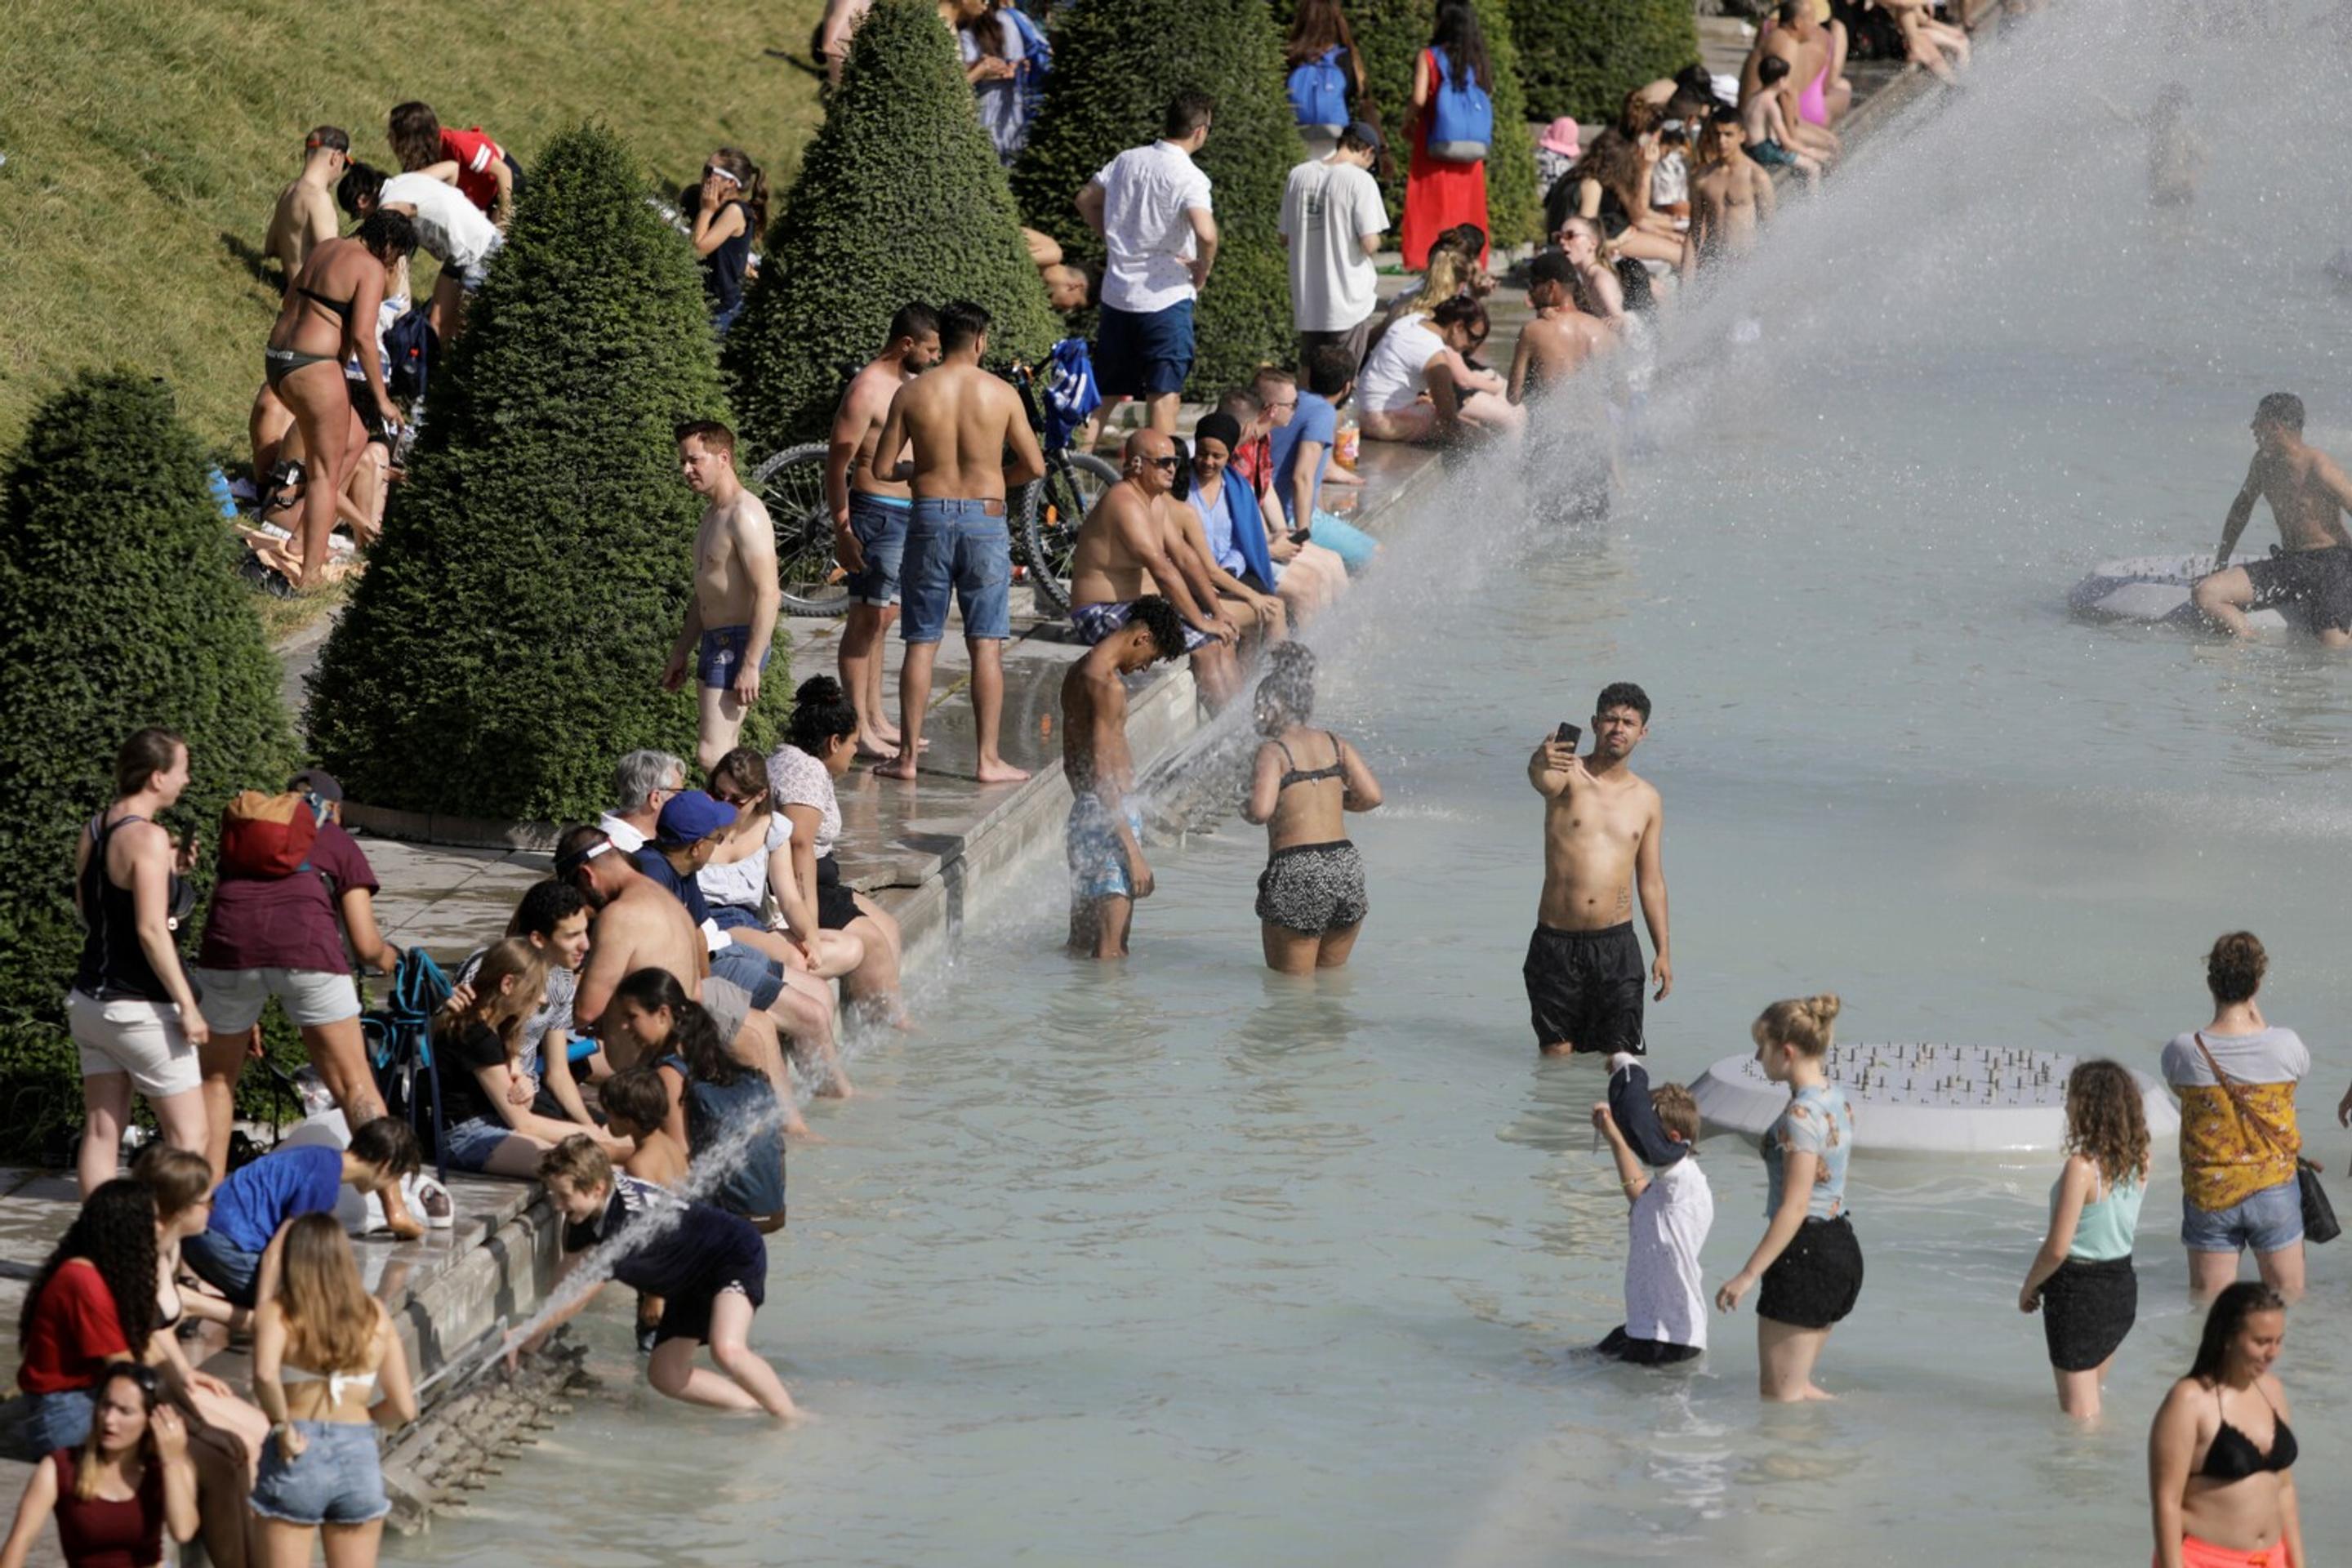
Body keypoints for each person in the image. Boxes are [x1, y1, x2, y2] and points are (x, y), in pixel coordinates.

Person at [191, 768, 399, 1184]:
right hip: (307, 950)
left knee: (216, 1081)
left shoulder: (249, 836)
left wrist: (243, 1012)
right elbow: (365, 945)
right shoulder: (337, 839)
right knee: (354, 1081)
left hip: (228, 950)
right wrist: (391, 959)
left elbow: (231, 906)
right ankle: (392, 1201)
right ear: (334, 808)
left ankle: (203, 1201)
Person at [871, 301, 1045, 783]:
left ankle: (907, 758)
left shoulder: (912, 393)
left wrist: (919, 469)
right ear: (980, 341)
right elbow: (1034, 466)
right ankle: (987, 760)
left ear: (941, 339)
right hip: (985, 519)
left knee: (921, 641)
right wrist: (993, 478)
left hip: (929, 515)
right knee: (986, 644)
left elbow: (882, 468)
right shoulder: (1001, 393)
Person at [516, 1137, 801, 1420]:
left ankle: (792, 1418)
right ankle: (758, 1406)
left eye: (563, 1196)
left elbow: (580, 1295)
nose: (557, 1205)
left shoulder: (625, 1225)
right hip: (689, 1277)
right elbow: (568, 1274)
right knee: (666, 1375)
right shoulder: (587, 1211)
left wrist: (528, 1331)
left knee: (727, 1349)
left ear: (597, 1187)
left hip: (732, 1253)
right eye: (554, 1194)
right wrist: (537, 1333)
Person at [627, 794, 850, 1094]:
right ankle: (829, 1099)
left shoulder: (683, 865)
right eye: (717, 838)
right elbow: (665, 949)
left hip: (723, 950)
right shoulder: (653, 875)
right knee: (811, 1016)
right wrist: (706, 988)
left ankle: (821, 1090)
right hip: (713, 964)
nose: (720, 843)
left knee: (820, 992)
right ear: (697, 846)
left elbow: (698, 929)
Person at [66, 730, 209, 1196]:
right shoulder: (149, 836)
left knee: (102, 1131)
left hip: (91, 1001)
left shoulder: (95, 829)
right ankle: (170, 1239)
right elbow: (150, 930)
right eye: (182, 770)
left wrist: (166, 872)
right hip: (142, 1008)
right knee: (191, 1138)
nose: (187, 780)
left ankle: (98, 1235)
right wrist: (188, 1005)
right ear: (156, 777)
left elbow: (90, 908)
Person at [1714, 995, 1860, 1401]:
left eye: (1762, 1047)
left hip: (1806, 1256)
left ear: (1787, 1051)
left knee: (1779, 1402)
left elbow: (1795, 1206)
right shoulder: (1836, 1096)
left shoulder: (1800, 1117)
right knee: (1797, 1390)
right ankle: (1866, 1424)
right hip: (1840, 1248)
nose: (1758, 1058)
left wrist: (1747, 1275)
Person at [247, 1213, 416, 1563]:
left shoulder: (277, 1312)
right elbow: (404, 1409)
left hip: (297, 1448)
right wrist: (363, 1420)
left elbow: (265, 1374)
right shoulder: (375, 1315)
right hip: (358, 1453)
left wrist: (281, 1426)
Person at [264, 209, 413, 589]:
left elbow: (289, 299)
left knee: (354, 439)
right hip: (314, 366)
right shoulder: (370, 267)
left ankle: (301, 539)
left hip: (278, 360)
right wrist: (382, 399)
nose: (393, 264)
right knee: (324, 476)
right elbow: (364, 337)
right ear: (389, 244)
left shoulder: (326, 248)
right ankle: (310, 574)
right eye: (397, 256)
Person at [1522, 684, 1669, 1054]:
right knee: (1556, 1056)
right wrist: (1539, 760)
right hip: (1556, 943)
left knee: (1620, 1057)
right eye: (1610, 719)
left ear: (1642, 732)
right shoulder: (1568, 773)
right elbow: (1543, 781)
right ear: (1594, 724)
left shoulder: (1647, 799)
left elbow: (1651, 881)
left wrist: (1663, 951)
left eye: (1628, 723)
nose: (1618, 728)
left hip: (1616, 947)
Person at [2163, 932, 2310, 1298]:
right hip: (2273, 1187)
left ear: (2211, 983)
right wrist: (2259, 1021)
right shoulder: (2286, 1044)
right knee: (2288, 1300)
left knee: (2210, 1310)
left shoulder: (2183, 1050)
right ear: (2256, 984)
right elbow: (2294, 1080)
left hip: (2210, 1191)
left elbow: (2180, 1091)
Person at [826, 304, 943, 758]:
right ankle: (857, 728)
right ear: (907, 344)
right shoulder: (867, 389)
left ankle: (875, 717)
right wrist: (843, 530)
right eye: (930, 349)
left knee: (883, 618)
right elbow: (837, 466)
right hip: (875, 512)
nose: (935, 357)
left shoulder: (908, 384)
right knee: (865, 620)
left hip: (907, 513)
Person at [763, 679, 908, 1022]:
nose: (855, 752)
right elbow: (799, 848)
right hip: (804, 886)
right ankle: (892, 1026)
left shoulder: (793, 758)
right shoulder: (806, 771)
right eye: (853, 743)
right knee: (872, 942)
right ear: (834, 742)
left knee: (888, 928)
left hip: (823, 881)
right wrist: (808, 925)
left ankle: (875, 1019)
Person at [1077, 92, 1218, 435]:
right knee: (1164, 396)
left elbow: (1085, 200)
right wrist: (1204, 267)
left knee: (1103, 395)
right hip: (1166, 297)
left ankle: (1071, 465)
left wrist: (1112, 238)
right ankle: (1158, 471)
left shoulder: (1126, 160)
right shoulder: (1190, 175)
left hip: (1118, 293)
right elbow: (1206, 232)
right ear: (1200, 131)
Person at [1067, 430, 1241, 706]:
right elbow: (1162, 570)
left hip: (1132, 606)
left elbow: (1185, 558)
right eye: (1163, 462)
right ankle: (1226, 726)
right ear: (1137, 464)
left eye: (1175, 461)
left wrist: (1217, 611)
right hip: (1097, 612)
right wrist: (1201, 621)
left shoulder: (1155, 501)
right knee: (1206, 643)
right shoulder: (1123, 502)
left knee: (1223, 638)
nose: (1172, 468)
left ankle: (1239, 718)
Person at [605, 969, 788, 1232]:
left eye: (631, 1017)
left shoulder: (669, 1073)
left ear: (663, 1014)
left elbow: (678, 1157)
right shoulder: (706, 1051)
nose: (624, 1026)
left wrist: (613, 1154)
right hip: (770, 1211)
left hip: (725, 1216)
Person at [2019, 1059, 2151, 1421]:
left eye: (2072, 1098)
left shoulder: (2082, 1168)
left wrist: (2029, 1286)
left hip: (2079, 1294)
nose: (2066, 1106)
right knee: (2091, 1402)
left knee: (2079, 1421)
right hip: (2120, 1289)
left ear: (2090, 1107)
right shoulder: (2141, 1159)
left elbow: (2057, 1247)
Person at [1059, 597, 1188, 957]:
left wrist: (1091, 812)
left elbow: (1072, 762)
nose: (1145, 667)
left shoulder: (1077, 672)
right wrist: (1132, 851)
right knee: (1112, 953)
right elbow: (1104, 774)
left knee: (1080, 947)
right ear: (1142, 638)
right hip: (1111, 821)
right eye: (1151, 657)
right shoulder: (1108, 686)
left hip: (1086, 815)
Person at [1241, 645, 1381, 974]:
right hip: (1345, 865)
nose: (1255, 713)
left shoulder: (1273, 751)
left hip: (1298, 868)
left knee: (1292, 990)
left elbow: (1261, 811)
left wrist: (1241, 804)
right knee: (1331, 982)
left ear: (1277, 705)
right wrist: (1333, 801)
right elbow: (1372, 796)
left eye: (1260, 705)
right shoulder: (1335, 743)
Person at [178, 1121, 421, 1311]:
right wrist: (266, 1309)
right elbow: (277, 1252)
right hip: (225, 1242)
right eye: (398, 1178)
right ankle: (193, 1303)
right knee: (303, 1311)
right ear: (386, 1166)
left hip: (198, 1235)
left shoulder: (320, 1157)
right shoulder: (323, 1183)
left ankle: (195, 1298)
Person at [431, 938, 625, 1175]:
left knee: (608, 1156)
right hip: (467, 1136)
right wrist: (591, 1133)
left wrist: (523, 1083)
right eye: (535, 989)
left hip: (496, 1123)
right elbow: (524, 1123)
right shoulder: (475, 1033)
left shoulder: (500, 1026)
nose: (543, 999)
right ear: (508, 984)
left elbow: (522, 1103)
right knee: (584, 1168)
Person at [2147, 1283, 2303, 1568]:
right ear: (2228, 1337)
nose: (2273, 1353)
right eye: (2261, 1342)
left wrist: (2297, 1563)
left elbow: (2284, 1489)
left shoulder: (2273, 1391)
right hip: (2204, 1559)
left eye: (2278, 1341)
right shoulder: (2190, 1399)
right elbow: (2167, 1501)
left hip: (2272, 1559)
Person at [662, 421, 782, 772]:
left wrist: (751, 663)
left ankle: (756, 807)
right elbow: (705, 596)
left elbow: (769, 593)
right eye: (683, 462)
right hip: (716, 640)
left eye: (694, 460)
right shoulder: (712, 516)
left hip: (738, 641)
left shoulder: (745, 514)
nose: (686, 470)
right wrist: (681, 651)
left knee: (712, 755)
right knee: (725, 753)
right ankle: (745, 808)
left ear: (724, 458)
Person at [0, 1364, 197, 1568]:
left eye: (125, 1411)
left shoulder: (168, 1467)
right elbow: (19, 1542)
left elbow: (183, 1531)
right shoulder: (61, 1467)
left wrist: (173, 1460)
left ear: (151, 1420)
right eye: (106, 1405)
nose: (109, 1419)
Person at [14, 1183, 161, 1456]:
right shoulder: (82, 1281)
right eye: (154, 1221)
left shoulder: (101, 1271)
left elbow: (147, 1346)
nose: (160, 1228)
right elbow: (127, 1368)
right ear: (128, 1228)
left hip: (83, 1395)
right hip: (63, 1411)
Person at [2191, 394, 2352, 644]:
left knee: (2333, 647)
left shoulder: (2320, 467)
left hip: (2333, 564)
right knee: (2207, 593)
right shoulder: (2263, 463)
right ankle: (2248, 643)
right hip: (2289, 562)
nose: (2252, 428)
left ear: (2275, 426)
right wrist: (2221, 561)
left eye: (2258, 421)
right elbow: (2241, 510)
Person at [1591, 1056, 1713, 1365]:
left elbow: (1637, 1121)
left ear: (1673, 1139)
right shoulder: (1664, 1190)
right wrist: (1613, 1136)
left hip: (1670, 1337)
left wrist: (1626, 1064)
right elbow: (1637, 1190)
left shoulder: (1686, 1180)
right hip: (1643, 1328)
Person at [458, 879, 608, 1130]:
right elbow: (455, 1036)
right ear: (538, 938)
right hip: (485, 1102)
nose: (586, 944)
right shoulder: (487, 967)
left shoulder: (561, 977)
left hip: (529, 1092)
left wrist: (590, 1125)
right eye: (572, 935)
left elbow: (557, 1073)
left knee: (611, 1133)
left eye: (585, 931)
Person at [336, 162, 501, 346]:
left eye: (358, 215)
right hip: (464, 250)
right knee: (437, 323)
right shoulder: (402, 180)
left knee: (465, 330)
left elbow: (388, 264)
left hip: (479, 251)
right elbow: (452, 168)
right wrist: (447, 211)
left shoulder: (388, 209)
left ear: (361, 201)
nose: (365, 218)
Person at [1280, 119, 1389, 373]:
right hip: (1347, 301)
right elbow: (1369, 243)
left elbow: (1284, 238)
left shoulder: (1298, 174)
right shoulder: (1361, 181)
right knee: (1342, 380)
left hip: (1308, 301)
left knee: (1308, 376)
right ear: (1368, 152)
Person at [1269, 345, 1380, 574]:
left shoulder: (1295, 401)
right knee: (1378, 558)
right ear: (1347, 386)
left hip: (1276, 509)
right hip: (1289, 518)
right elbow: (1302, 477)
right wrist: (1304, 536)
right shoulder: (1322, 412)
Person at [1401, 3, 1493, 270]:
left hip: (1434, 139)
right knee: (1466, 204)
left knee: (1429, 204)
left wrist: (1406, 123)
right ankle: (1468, 259)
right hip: (1470, 146)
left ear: (1442, 20)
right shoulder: (1478, 58)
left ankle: (1428, 261)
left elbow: (1419, 98)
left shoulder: (1429, 56)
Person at [1356, 296, 1521, 444]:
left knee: (1464, 420)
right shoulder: (1435, 358)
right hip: (1382, 422)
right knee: (1479, 436)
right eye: (1474, 338)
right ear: (1458, 326)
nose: (1473, 346)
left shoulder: (1412, 320)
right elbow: (1447, 417)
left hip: (1361, 410)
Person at [1182, 413, 1288, 644]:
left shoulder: (1237, 489)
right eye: (1202, 453)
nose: (1208, 462)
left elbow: (1241, 544)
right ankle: (1272, 667)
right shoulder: (1181, 489)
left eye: (1217, 456)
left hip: (1225, 575)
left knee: (1269, 604)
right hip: (1192, 582)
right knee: (1273, 610)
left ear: (1229, 455)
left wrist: (1230, 568)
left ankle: (1258, 665)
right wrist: (1248, 595)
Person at [386, 100, 516, 225]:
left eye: (395, 135)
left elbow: (504, 172)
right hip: (481, 202)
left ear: (413, 139)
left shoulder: (458, 145)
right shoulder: (422, 157)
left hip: (506, 188)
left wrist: (504, 219)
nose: (389, 139)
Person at [1508, 250, 1611, 405]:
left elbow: (1513, 396)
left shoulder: (1531, 331)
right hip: (1598, 420)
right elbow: (1621, 396)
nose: (1530, 293)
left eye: (1533, 284)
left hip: (1551, 420)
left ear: (1551, 286)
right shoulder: (1603, 330)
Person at [264, 127, 350, 292]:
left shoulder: (288, 191)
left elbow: (270, 247)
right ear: (336, 157)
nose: (341, 172)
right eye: (344, 165)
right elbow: (332, 264)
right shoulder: (319, 199)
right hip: (311, 296)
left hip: (291, 288)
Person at [1688, 107, 1775, 270]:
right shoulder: (1702, 179)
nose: (1722, 141)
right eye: (1717, 134)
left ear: (1742, 136)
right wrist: (1687, 282)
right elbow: (1694, 233)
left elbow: (1769, 231)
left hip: (1746, 266)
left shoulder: (1757, 177)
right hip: (1713, 264)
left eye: (1728, 134)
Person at [691, 148, 766, 336]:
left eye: (709, 171)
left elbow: (695, 251)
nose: (704, 176)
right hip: (702, 302)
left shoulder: (734, 211)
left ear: (731, 182)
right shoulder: (714, 205)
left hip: (718, 312)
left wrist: (706, 211)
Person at [953, 0, 1029, 163]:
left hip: (984, 103)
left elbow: (964, 72)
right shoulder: (1008, 19)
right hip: (1011, 103)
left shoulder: (966, 30)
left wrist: (983, 69)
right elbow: (1017, 59)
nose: (985, 4)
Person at [1739, 56, 1826, 188]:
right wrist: (1811, 152)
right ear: (1780, 81)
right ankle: (1813, 201)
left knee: (1801, 160)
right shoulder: (1770, 104)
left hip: (1751, 148)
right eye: (1786, 78)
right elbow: (1785, 141)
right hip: (1763, 150)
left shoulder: (1754, 97)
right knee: (1813, 167)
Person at [599, 750, 685, 854]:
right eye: (678, 794)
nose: (683, 800)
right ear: (655, 799)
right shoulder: (615, 850)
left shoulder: (661, 837)